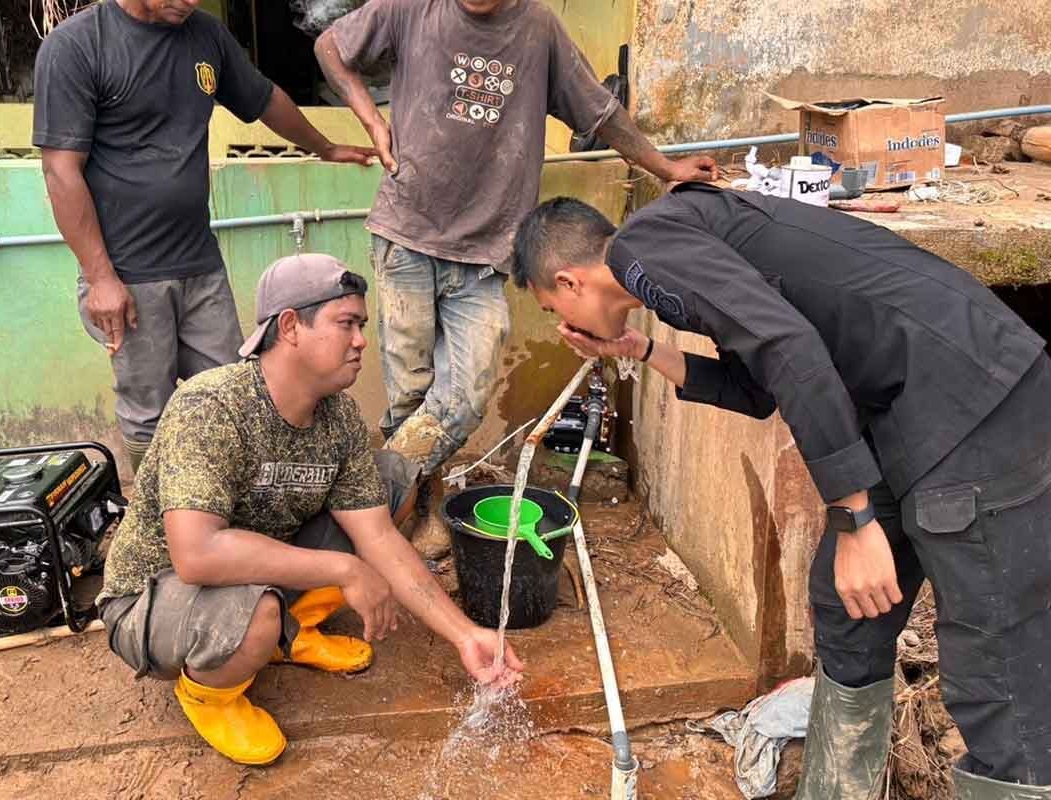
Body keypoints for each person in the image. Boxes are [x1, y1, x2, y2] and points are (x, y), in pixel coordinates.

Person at [510, 185, 1051, 799]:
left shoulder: (642, 249)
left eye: (550, 306)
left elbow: (787, 347)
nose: (561, 323)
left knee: (997, 665)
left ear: (569, 281)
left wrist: (855, 518)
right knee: (846, 603)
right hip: (908, 409)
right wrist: (643, 350)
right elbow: (760, 385)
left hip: (973, 400)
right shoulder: (672, 251)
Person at [95, 253, 522, 765]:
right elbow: (197, 555)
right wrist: (343, 569)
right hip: (152, 596)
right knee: (257, 612)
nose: (361, 340)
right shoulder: (212, 406)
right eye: (347, 324)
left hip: (253, 571)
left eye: (362, 325)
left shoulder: (338, 416)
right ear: (290, 326)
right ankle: (210, 693)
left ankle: (290, 634)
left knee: (392, 481)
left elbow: (378, 537)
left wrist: (465, 634)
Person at [314, 0, 718, 523]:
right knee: (410, 395)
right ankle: (414, 512)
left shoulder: (538, 27)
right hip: (406, 233)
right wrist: (371, 118)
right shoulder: (411, 7)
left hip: (487, 252)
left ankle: (366, 499)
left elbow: (599, 112)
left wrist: (664, 166)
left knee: (464, 395)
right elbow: (330, 47)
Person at [33, 0, 377, 474]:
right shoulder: (77, 45)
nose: (191, 1)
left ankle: (230, 503)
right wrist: (100, 278)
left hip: (199, 262)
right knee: (148, 410)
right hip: (128, 274)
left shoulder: (204, 35)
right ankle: (157, 511)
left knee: (235, 392)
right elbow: (60, 170)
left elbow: (263, 99)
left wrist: (325, 147)